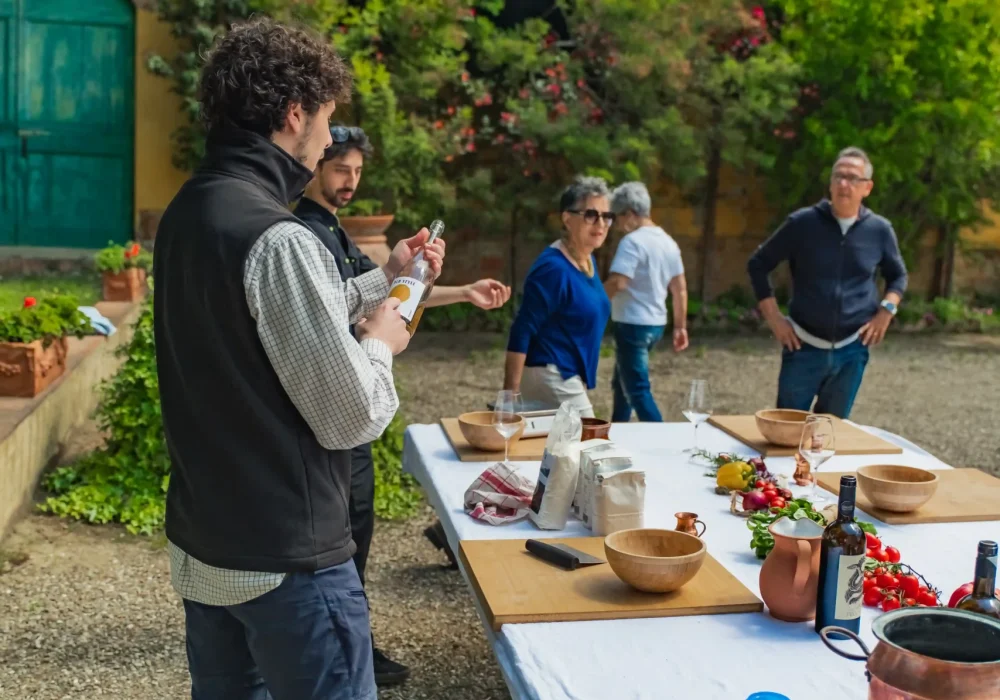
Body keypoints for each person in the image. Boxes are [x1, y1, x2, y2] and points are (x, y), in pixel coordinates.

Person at [152, 18, 445, 700]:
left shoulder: (190, 212)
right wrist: (383, 338)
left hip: (207, 548)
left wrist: (388, 276)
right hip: (287, 563)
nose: (324, 143)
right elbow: (354, 417)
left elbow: (265, 318)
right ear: (293, 114)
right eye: (326, 122)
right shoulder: (279, 236)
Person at [294, 124, 510, 686]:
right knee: (342, 539)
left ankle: (354, 647)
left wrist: (461, 291)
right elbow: (350, 311)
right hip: (338, 403)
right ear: (316, 163)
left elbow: (387, 295)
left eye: (358, 172)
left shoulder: (335, 232)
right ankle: (344, 654)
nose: (350, 181)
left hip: (357, 395)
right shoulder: (304, 234)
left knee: (356, 533)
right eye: (341, 169)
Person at [746, 146, 908, 419]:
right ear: (830, 183)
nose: (844, 184)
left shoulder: (880, 230)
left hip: (852, 351)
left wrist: (886, 312)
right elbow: (758, 264)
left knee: (830, 436)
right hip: (802, 346)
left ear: (867, 188)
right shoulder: (802, 223)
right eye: (838, 176)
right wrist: (774, 319)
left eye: (852, 178)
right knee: (785, 433)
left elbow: (899, 276)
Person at [503, 176, 613, 417]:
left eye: (607, 216)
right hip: (551, 372)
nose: (601, 223)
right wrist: (508, 400)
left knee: (562, 449)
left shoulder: (586, 259)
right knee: (590, 440)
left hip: (566, 372)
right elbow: (522, 328)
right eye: (591, 215)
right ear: (567, 218)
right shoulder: (553, 268)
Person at [604, 181, 689, 422]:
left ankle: (662, 439)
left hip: (632, 324)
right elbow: (679, 288)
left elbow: (618, 282)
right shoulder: (667, 242)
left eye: (616, 217)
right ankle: (617, 431)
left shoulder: (632, 242)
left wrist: (591, 301)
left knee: (638, 390)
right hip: (655, 325)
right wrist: (680, 326)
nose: (616, 225)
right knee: (622, 383)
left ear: (629, 214)